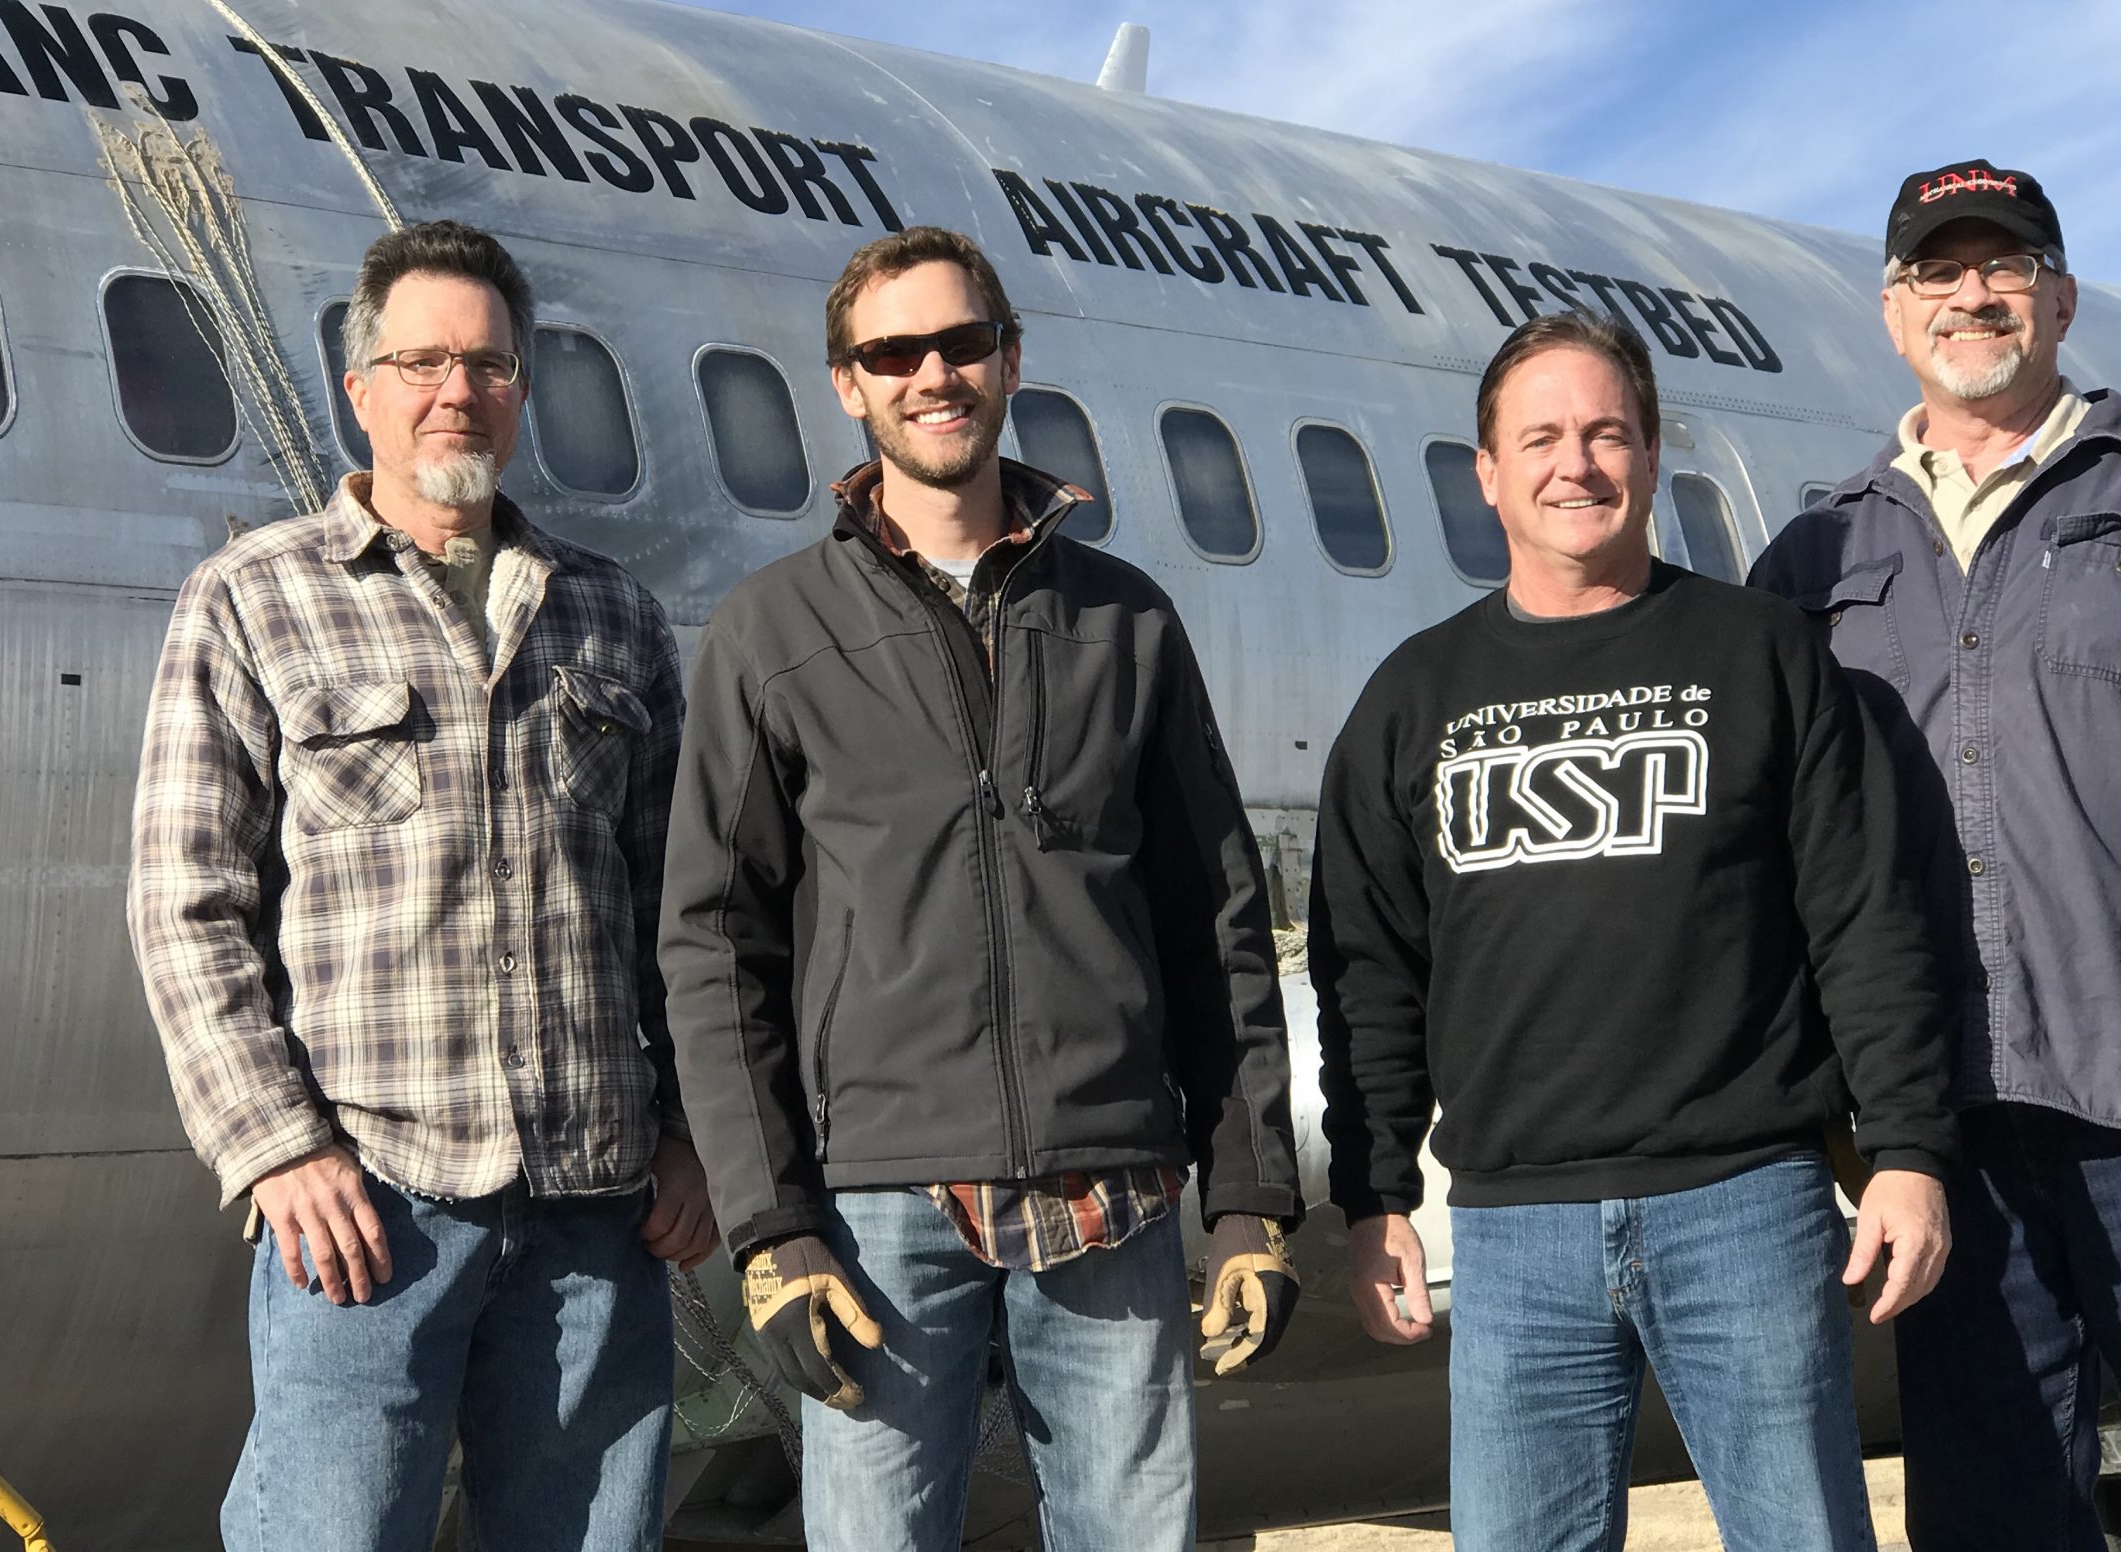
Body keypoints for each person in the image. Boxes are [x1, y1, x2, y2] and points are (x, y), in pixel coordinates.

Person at [658, 226, 1301, 1552]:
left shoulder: (1128, 620)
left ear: (1012, 361)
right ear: (846, 384)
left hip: (1109, 1193)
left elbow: (1212, 923)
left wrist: (1249, 1203)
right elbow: (718, 953)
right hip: (879, 1209)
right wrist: (773, 1231)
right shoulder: (770, 635)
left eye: (960, 344)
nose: (931, 374)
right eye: (894, 353)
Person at [1311, 309, 1955, 1552]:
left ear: (1653, 456)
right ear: (1486, 471)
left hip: (1747, 1208)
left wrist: (1910, 1152)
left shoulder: (1760, 653)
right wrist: (1374, 1194)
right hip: (1510, 1235)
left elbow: (1864, 922)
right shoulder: (1413, 697)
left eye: (1608, 433)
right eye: (1540, 437)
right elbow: (1368, 970)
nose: (1577, 464)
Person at [127, 219, 712, 1552]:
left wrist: (691, 1137)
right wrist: (275, 1146)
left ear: (521, 388)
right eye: (425, 361)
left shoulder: (611, 616)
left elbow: (679, 911)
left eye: (491, 365)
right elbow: (187, 905)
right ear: (364, 388)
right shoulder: (252, 601)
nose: (460, 390)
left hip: (592, 1216)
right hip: (368, 1210)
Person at [1751, 159, 2121, 1547]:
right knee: (1993, 1514)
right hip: (1942, 1127)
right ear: (1891, 310)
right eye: (1937, 271)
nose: (1971, 294)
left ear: (2059, 293)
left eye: (2003, 265)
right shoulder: (1815, 557)